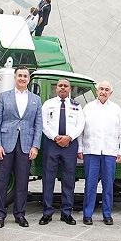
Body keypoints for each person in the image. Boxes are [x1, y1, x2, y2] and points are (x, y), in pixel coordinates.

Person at [0, 66, 43, 228]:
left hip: (26, 145)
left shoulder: (35, 99)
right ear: (15, 77)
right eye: (19, 75)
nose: (22, 78)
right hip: (6, 144)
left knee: (22, 182)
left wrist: (35, 146)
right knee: (2, 180)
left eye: (25, 76)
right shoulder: (3, 97)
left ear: (29, 79)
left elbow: (38, 125)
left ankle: (20, 214)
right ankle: (0, 215)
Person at [79, 80, 121, 225]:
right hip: (91, 151)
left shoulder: (116, 109)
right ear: (97, 90)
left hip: (109, 152)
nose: (103, 91)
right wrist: (80, 148)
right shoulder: (88, 107)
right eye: (101, 89)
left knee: (108, 185)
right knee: (90, 184)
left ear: (110, 93)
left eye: (106, 89)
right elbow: (81, 129)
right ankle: (87, 214)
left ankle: (107, 214)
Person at [39, 79, 85, 225]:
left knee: (68, 180)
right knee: (48, 179)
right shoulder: (48, 104)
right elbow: (43, 123)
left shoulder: (77, 106)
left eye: (65, 86)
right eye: (60, 86)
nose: (63, 88)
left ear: (70, 89)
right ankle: (47, 212)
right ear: (56, 88)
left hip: (70, 145)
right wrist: (55, 137)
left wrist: (69, 137)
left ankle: (66, 213)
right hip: (52, 143)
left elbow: (81, 124)